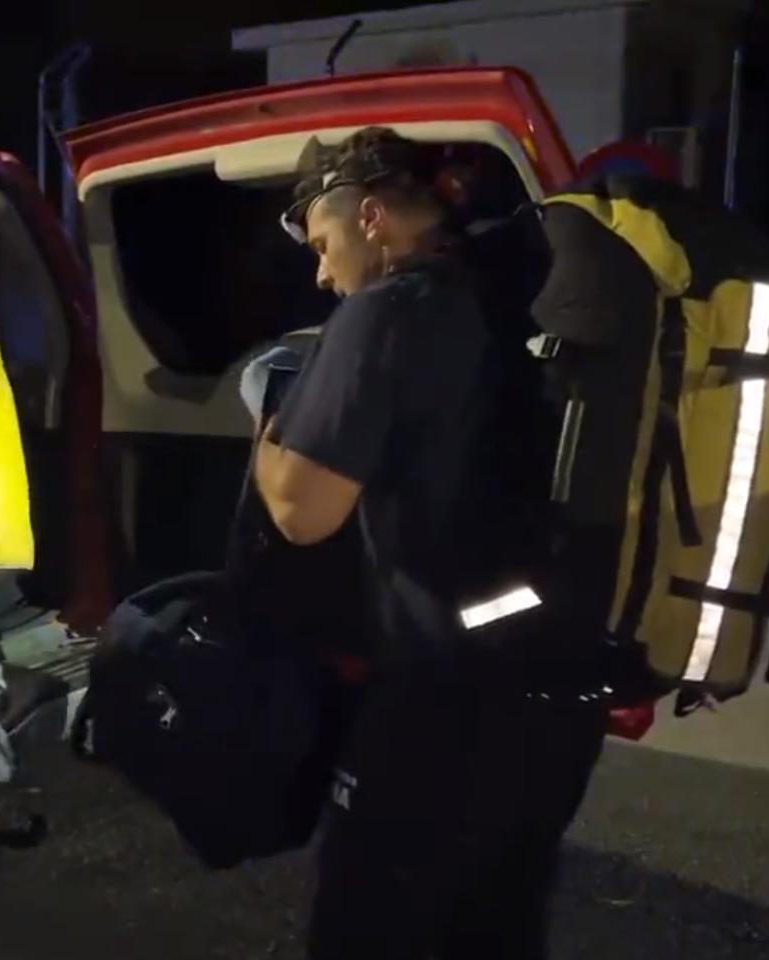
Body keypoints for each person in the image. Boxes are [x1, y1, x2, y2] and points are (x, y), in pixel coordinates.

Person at [253, 127, 608, 959]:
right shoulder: (511, 294)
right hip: (552, 685)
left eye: (323, 243)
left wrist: (266, 436)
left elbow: (303, 511)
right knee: (494, 930)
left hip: (442, 697)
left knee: (364, 926)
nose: (321, 273)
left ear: (371, 217)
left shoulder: (387, 310)